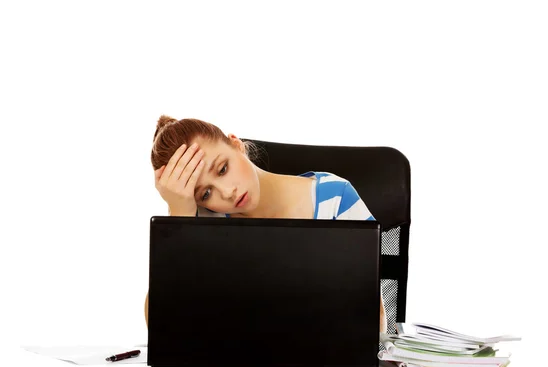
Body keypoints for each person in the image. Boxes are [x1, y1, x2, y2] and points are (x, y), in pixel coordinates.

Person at [145, 115, 388, 332]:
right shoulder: (204, 223)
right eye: (206, 194)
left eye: (222, 169)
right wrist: (178, 218)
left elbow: (374, 323)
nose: (227, 192)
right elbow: (159, 324)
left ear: (236, 144)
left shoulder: (335, 198)